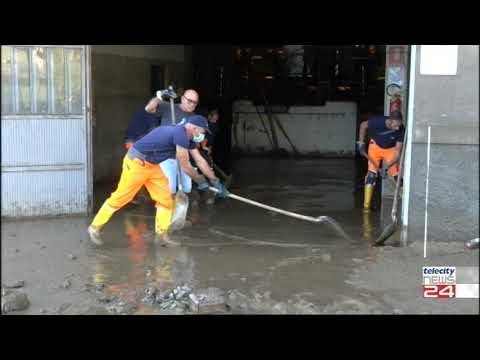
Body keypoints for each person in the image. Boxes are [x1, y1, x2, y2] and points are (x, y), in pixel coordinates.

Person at [87, 115, 228, 247]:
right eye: (202, 131)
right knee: (121, 197)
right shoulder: (179, 133)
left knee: (165, 199)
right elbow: (185, 165)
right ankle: (95, 227)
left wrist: (215, 181)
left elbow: (200, 161)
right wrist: (201, 181)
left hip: (153, 165)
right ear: (194, 128)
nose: (202, 135)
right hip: (136, 162)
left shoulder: (188, 139)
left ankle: (161, 235)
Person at [356, 111, 405, 211]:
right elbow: (363, 125)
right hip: (375, 146)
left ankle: (404, 202)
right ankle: (366, 207)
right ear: (390, 121)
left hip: (391, 149)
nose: (397, 128)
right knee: (371, 175)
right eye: (395, 126)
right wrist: (361, 143)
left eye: (399, 125)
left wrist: (386, 168)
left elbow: (397, 154)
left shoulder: (401, 129)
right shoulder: (377, 122)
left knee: (397, 177)